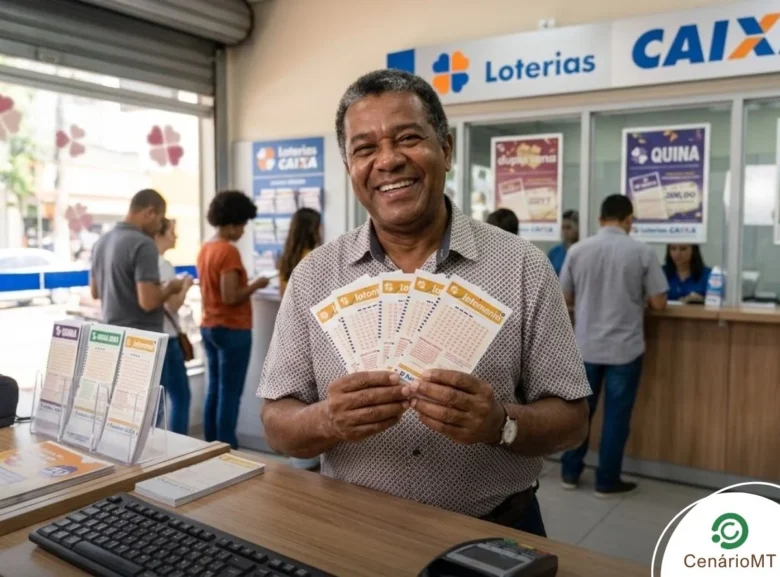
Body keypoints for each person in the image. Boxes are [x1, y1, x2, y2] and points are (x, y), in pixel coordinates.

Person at [257, 69, 591, 537]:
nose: (388, 161)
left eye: (408, 138)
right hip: (353, 533)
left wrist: (500, 424)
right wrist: (326, 418)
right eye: (365, 149)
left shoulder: (523, 267)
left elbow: (573, 421)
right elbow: (276, 423)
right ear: (350, 167)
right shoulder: (315, 276)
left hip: (494, 533)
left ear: (446, 150)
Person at [559, 194, 668, 497]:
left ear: (599, 219)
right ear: (629, 219)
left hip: (585, 347)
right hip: (625, 350)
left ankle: (569, 473)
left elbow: (564, 297)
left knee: (580, 413)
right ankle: (606, 482)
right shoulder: (642, 252)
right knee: (616, 418)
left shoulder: (578, 250)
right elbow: (659, 302)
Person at [197, 191, 270, 449]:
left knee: (214, 389)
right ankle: (226, 447)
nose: (242, 231)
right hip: (233, 329)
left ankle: (209, 446)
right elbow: (231, 296)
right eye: (241, 225)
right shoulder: (228, 251)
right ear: (232, 222)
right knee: (230, 393)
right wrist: (256, 284)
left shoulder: (206, 248)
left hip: (209, 326)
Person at [90, 188, 188, 332]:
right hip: (141, 339)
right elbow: (148, 302)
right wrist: (170, 288)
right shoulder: (143, 244)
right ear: (150, 213)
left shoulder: (101, 242)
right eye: (160, 220)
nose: (159, 227)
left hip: (112, 334)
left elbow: (95, 292)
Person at [155, 218, 193, 434]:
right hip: (167, 340)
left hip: (154, 337)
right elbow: (173, 305)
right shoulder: (163, 265)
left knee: (157, 400)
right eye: (172, 232)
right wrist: (185, 287)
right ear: (160, 235)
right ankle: (181, 446)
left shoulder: (147, 263)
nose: (175, 237)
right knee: (180, 396)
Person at [278, 208, 322, 297]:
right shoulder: (314, 258)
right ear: (313, 230)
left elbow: (282, 293)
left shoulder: (286, 259)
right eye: (320, 227)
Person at [548, 210, 579, 276]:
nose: (565, 231)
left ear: (578, 228)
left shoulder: (585, 251)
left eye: (568, 227)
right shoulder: (554, 253)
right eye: (563, 228)